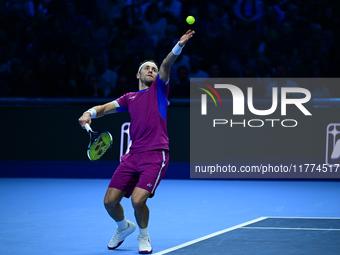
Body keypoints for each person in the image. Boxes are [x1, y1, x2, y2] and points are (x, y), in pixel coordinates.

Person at [78, 30, 195, 254]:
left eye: (153, 68)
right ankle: (123, 228)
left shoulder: (160, 89)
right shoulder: (129, 98)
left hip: (155, 154)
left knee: (137, 200)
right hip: (132, 156)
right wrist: (88, 113)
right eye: (147, 68)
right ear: (138, 74)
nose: (152, 70)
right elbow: (104, 109)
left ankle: (143, 235)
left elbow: (166, 65)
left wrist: (178, 46)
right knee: (109, 202)